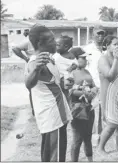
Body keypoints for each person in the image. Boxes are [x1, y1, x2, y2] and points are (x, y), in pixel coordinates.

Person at [25, 25, 72, 162]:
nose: (55, 42)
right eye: (51, 39)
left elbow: (52, 84)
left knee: (51, 157)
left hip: (58, 116)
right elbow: (28, 83)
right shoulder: (36, 62)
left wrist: (66, 84)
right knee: (55, 158)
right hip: (53, 119)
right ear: (40, 43)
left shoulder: (49, 59)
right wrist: (36, 70)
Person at [98, 36, 118, 156]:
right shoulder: (103, 59)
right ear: (107, 46)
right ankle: (100, 148)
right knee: (112, 124)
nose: (117, 47)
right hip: (109, 95)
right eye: (115, 44)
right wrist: (116, 59)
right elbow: (110, 76)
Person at [70, 53, 98, 162]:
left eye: (86, 58)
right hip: (78, 109)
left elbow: (94, 86)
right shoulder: (71, 73)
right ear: (76, 59)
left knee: (88, 137)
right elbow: (70, 91)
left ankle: (90, 160)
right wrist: (85, 92)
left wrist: (93, 91)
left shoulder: (86, 71)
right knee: (77, 139)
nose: (86, 60)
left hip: (89, 108)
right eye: (83, 58)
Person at [82, 26, 106, 146]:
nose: (100, 37)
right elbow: (83, 67)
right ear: (93, 36)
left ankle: (103, 134)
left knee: (103, 111)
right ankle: (94, 137)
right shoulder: (87, 49)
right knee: (94, 110)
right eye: (98, 34)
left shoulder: (106, 49)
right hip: (93, 84)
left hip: (105, 84)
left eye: (102, 34)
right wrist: (87, 84)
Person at [53, 35, 78, 105]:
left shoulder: (70, 55)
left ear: (66, 47)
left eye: (57, 45)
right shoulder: (56, 55)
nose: (55, 47)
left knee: (65, 95)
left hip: (65, 78)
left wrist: (71, 68)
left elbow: (76, 63)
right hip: (57, 78)